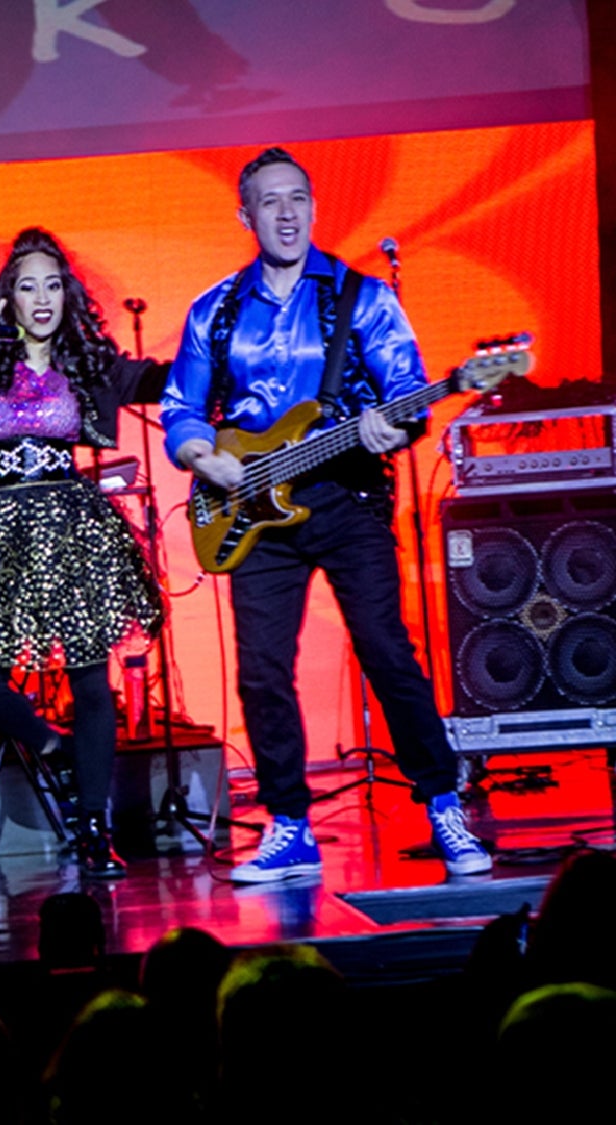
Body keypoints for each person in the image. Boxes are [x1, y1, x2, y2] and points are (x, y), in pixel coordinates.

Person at [160, 147, 492, 883]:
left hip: (346, 496)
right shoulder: (214, 309)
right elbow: (181, 405)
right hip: (249, 505)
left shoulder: (361, 298)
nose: (287, 212)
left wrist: (392, 426)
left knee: (386, 651)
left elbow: (405, 387)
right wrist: (202, 456)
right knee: (261, 673)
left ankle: (443, 803)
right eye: (270, 201)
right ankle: (288, 823)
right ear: (245, 216)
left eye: (298, 198)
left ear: (314, 207)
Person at [0, 227, 166, 877]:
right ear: (9, 298)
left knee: (90, 681)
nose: (42, 296)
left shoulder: (87, 361)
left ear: (67, 293)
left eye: (53, 283)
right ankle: (52, 744)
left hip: (68, 526)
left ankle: (91, 828)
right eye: (28, 285)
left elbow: (163, 379)